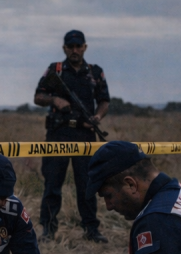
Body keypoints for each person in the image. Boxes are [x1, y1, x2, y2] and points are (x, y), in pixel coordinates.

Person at [34, 29, 111, 243]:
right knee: (52, 184)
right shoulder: (55, 70)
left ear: (85, 47)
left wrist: (97, 116)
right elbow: (38, 96)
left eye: (78, 46)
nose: (75, 50)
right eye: (71, 47)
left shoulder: (95, 72)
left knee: (87, 183)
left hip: (84, 135)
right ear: (64, 48)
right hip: (58, 134)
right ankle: (48, 230)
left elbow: (104, 100)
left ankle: (91, 230)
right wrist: (54, 101)